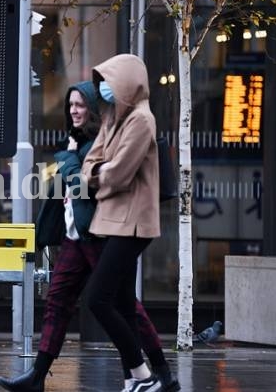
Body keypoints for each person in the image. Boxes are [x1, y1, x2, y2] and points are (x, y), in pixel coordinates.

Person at [0, 81, 179, 392]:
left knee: (125, 307)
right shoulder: (76, 141)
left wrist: (67, 161)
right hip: (74, 236)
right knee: (57, 301)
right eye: (70, 105)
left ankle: (161, 374)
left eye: (80, 105)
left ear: (93, 108)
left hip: (100, 234)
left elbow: (89, 183)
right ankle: (36, 376)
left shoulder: (100, 142)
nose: (73, 111)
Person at [81, 54, 164, 392]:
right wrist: (98, 171)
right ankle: (134, 379)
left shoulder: (142, 120)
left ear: (127, 82)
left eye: (109, 81)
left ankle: (144, 375)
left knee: (97, 299)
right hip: (113, 220)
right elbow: (90, 162)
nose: (103, 88)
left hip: (132, 223)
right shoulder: (113, 117)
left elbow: (118, 174)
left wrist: (98, 172)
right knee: (123, 304)